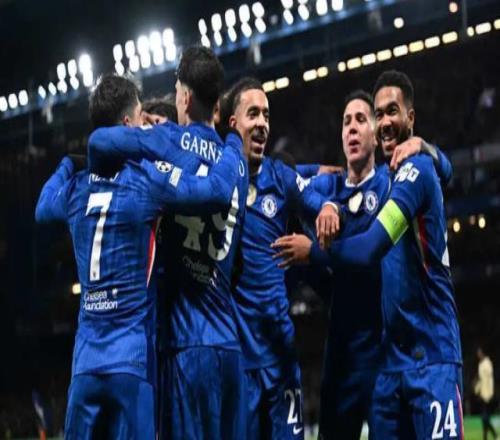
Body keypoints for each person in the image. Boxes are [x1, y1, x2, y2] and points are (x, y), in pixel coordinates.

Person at [35, 73, 244, 439]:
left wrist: (68, 163)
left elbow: (42, 208)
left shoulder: (74, 190)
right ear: (128, 124)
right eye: (140, 120)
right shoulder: (146, 181)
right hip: (130, 364)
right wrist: (232, 146)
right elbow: (215, 191)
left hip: (84, 367)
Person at [273, 70, 463, 439]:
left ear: (376, 132)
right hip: (366, 358)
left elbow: (371, 247)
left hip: (410, 354)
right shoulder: (330, 186)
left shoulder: (399, 177)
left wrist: (429, 150)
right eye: (348, 121)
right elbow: (278, 173)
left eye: (364, 118)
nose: (355, 128)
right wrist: (321, 190)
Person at [86, 46, 249, 440]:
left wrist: (140, 136)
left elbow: (100, 142)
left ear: (185, 97)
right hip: (230, 345)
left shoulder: (168, 140)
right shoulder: (237, 162)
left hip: (186, 343)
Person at [221, 77, 339, 439]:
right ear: (233, 124)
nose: (262, 123)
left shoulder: (280, 177)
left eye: (266, 115)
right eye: (253, 114)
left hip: (280, 357)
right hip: (237, 357)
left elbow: (317, 200)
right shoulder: (219, 177)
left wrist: (329, 208)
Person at [475, 347, 498, 440]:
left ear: (483, 353)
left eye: (479, 353)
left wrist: (490, 393)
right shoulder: (480, 364)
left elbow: (489, 379)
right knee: (484, 418)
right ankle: (487, 437)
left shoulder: (487, 363)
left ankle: (494, 435)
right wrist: (477, 389)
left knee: (485, 417)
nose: (478, 355)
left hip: (488, 395)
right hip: (482, 394)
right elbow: (481, 379)